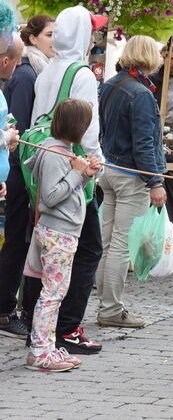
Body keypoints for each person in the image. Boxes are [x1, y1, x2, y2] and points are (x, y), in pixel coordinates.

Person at [21, 6, 105, 356]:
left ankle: (36, 324)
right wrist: (96, 167)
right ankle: (65, 328)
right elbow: (89, 128)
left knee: (40, 253)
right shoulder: (81, 73)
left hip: (43, 162)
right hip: (73, 169)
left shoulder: (48, 68)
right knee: (86, 250)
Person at [96, 35, 167, 329]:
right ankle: (111, 309)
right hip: (129, 175)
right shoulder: (139, 93)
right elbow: (144, 144)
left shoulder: (111, 84)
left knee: (108, 242)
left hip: (110, 168)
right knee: (119, 245)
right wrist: (155, 183)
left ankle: (107, 305)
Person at [23, 98, 100, 372]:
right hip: (58, 232)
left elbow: (69, 190)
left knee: (54, 293)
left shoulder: (63, 151)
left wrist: (85, 175)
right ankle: (40, 351)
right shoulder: (56, 154)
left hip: (60, 230)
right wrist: (77, 173)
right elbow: (52, 196)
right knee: (52, 294)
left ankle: (47, 347)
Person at [0, 14, 47, 340]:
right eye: (49, 34)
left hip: (14, 175)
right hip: (18, 176)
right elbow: (17, 128)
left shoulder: (31, 72)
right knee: (16, 243)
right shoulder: (27, 75)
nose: (53, 40)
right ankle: (5, 310)